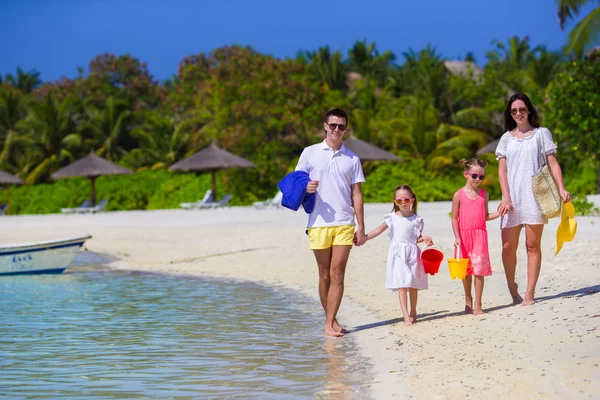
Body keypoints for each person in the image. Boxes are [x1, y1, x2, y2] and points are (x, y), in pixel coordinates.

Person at [295, 108, 366, 337]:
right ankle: (332, 320)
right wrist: (306, 187)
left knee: (338, 273)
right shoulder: (309, 152)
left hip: (345, 222)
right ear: (325, 125)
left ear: (346, 129)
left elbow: (357, 194)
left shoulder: (352, 158)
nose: (337, 130)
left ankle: (327, 325)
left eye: (341, 127)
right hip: (317, 222)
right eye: (333, 125)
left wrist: (361, 226)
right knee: (324, 274)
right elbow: (297, 181)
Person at [495, 93, 571, 306]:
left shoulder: (541, 133)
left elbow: (553, 163)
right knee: (508, 247)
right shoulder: (506, 138)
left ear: (529, 110)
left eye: (522, 109)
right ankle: (513, 289)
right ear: (510, 114)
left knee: (532, 245)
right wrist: (505, 197)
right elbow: (502, 171)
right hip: (511, 199)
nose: (518, 113)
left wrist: (562, 188)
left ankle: (529, 294)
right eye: (513, 110)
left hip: (536, 197)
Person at [364, 185, 433, 326]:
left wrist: (425, 238)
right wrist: (364, 238)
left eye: (406, 200)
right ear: (394, 202)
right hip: (398, 254)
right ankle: (405, 315)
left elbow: (415, 238)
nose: (403, 202)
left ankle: (413, 311)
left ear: (412, 200)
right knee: (402, 284)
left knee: (413, 284)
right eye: (399, 200)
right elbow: (378, 230)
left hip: (413, 253)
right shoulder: (392, 218)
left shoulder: (417, 219)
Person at [451, 158, 499, 315]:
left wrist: (499, 213)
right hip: (463, 236)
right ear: (466, 174)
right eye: (474, 176)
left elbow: (484, 215)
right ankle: (468, 299)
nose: (478, 179)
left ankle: (478, 304)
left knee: (479, 270)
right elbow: (454, 218)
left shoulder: (484, 195)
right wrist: (457, 237)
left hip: (479, 235)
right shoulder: (458, 195)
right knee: (466, 271)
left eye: (481, 177)